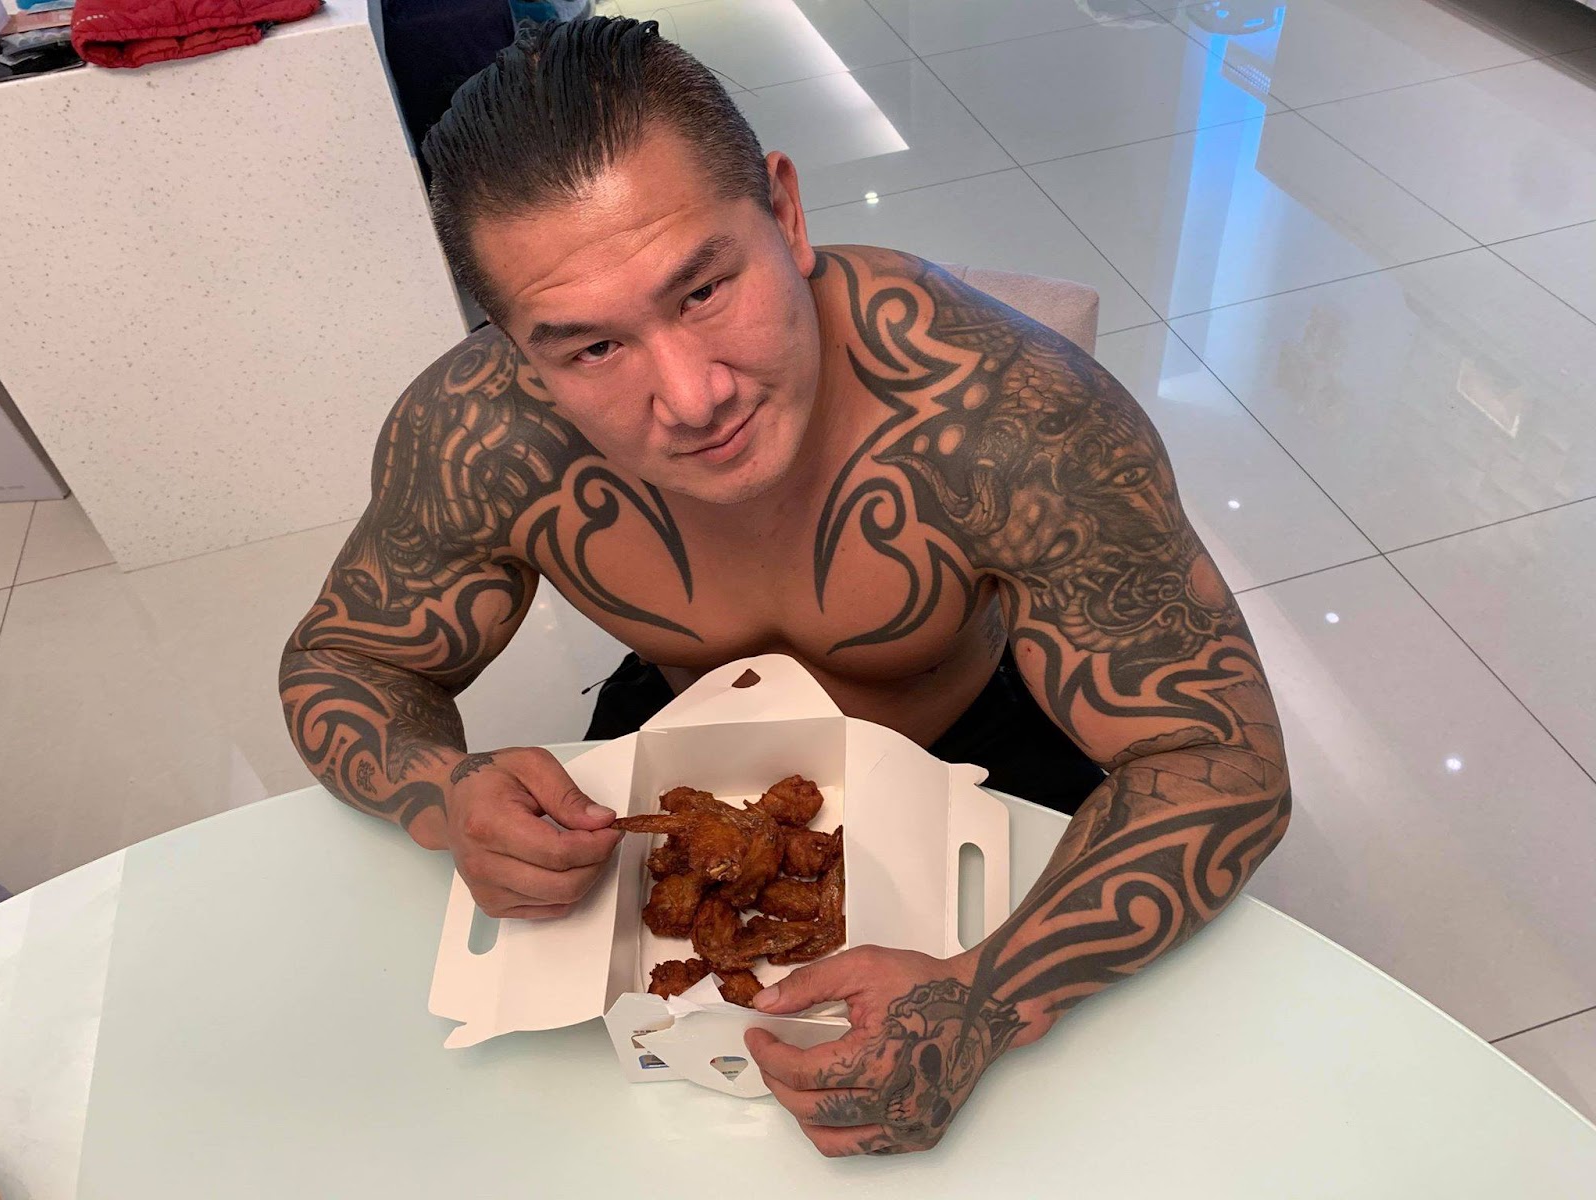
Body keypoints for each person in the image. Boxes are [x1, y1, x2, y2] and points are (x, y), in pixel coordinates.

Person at [279, 17, 1291, 1157]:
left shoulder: (1008, 418)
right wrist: (441, 788)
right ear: (519, 355)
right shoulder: (481, 439)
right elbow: (346, 659)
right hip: (692, 742)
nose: (691, 396)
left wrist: (986, 999)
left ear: (788, 212)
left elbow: (1222, 762)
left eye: (704, 290)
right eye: (592, 349)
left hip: (984, 739)